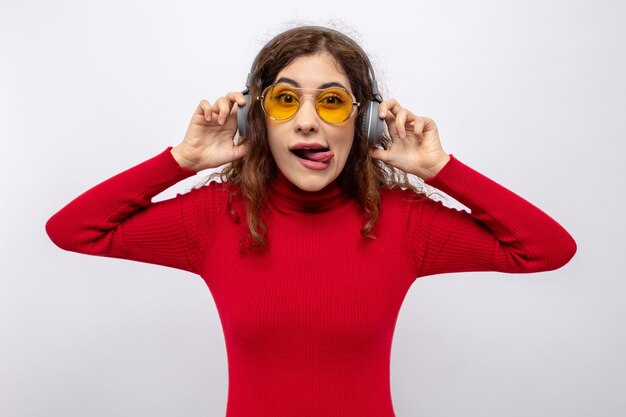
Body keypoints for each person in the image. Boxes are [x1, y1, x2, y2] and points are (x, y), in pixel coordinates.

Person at [46, 25, 576, 417]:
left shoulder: (403, 223)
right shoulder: (217, 218)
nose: (307, 122)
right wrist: (182, 159)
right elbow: (74, 230)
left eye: (331, 102)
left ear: (365, 121)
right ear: (256, 120)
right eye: (284, 100)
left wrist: (440, 169)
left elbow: (546, 249)